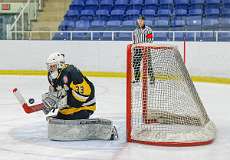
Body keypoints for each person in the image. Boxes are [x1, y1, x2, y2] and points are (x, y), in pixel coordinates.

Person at [42, 52, 96, 120]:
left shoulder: (72, 73)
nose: (51, 69)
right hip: (67, 109)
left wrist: (63, 102)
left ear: (60, 65)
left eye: (53, 66)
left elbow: (83, 95)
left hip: (84, 107)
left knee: (70, 118)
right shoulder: (50, 76)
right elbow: (57, 92)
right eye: (50, 66)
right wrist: (52, 100)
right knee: (61, 118)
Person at [132, 15, 155, 84]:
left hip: (146, 49)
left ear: (144, 21)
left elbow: (150, 40)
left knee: (148, 64)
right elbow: (134, 41)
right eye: (139, 20)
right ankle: (137, 79)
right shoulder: (135, 31)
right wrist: (134, 47)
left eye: (141, 20)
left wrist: (146, 46)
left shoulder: (148, 30)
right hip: (137, 49)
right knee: (135, 64)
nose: (140, 22)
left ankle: (152, 79)